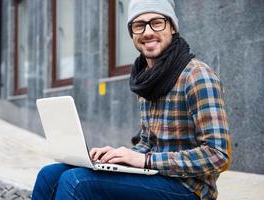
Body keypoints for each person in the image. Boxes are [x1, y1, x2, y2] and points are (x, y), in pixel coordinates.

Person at [32, 0, 231, 199]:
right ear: (132, 33)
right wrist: (117, 157)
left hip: (189, 188)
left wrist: (145, 160)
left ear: (172, 28)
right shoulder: (147, 78)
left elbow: (218, 155)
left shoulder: (197, 76)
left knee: (76, 181)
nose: (147, 32)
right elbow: (147, 144)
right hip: (155, 176)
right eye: (139, 25)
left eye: (157, 22)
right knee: (49, 175)